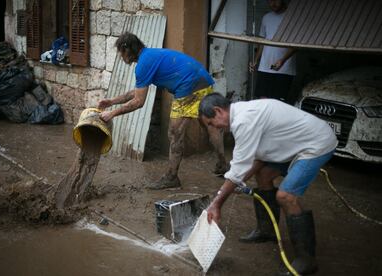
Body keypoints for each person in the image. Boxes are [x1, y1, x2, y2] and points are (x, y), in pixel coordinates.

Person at [199, 93, 337, 275]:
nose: (214, 128)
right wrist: (235, 182)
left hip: (316, 144)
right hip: (294, 144)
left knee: (286, 196)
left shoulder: (243, 120)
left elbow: (239, 168)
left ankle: (306, 260)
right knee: (263, 176)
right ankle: (267, 231)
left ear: (218, 111)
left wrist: (217, 203)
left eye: (211, 123)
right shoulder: (242, 113)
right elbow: (254, 161)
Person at [98, 32, 227, 189]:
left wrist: (112, 114)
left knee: (174, 133)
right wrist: (112, 101)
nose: (120, 56)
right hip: (202, 80)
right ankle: (222, 164)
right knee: (210, 125)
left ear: (127, 49)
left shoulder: (143, 64)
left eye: (120, 52)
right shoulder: (149, 56)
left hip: (188, 87)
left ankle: (171, 177)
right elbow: (137, 92)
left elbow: (138, 101)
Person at [249, 0, 296, 103]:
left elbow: (297, 44)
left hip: (284, 69)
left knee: (278, 102)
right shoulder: (266, 18)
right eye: (269, 1)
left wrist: (282, 60)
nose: (273, 3)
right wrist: (256, 60)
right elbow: (262, 41)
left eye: (276, 0)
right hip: (265, 66)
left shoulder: (292, 17)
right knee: (263, 100)